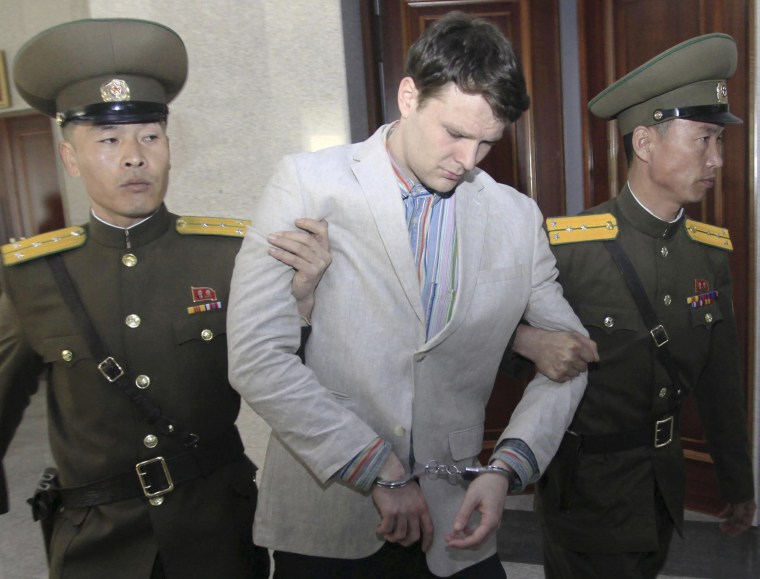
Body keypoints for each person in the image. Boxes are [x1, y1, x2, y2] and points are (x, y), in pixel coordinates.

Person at [227, 12, 595, 578]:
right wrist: (379, 468)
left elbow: (571, 355)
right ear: (407, 97)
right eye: (454, 132)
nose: (468, 161)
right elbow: (256, 355)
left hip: (457, 523)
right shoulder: (309, 183)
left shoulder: (516, 218)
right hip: (329, 517)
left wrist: (506, 468)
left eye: (486, 142)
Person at [0, 18, 331, 579]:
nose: (134, 156)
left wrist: (302, 306)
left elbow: (290, 379)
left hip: (216, 534)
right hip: (96, 548)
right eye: (108, 140)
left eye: (149, 136)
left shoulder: (228, 255)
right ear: (70, 159)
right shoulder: (32, 276)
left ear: (169, 148)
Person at [512, 33, 756, 578]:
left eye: (719, 141)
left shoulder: (709, 253)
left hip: (661, 490)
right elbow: (491, 345)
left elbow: (721, 381)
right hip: (586, 496)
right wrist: (527, 342)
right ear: (645, 143)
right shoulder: (568, 248)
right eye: (704, 139)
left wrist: (737, 483)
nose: (716, 158)